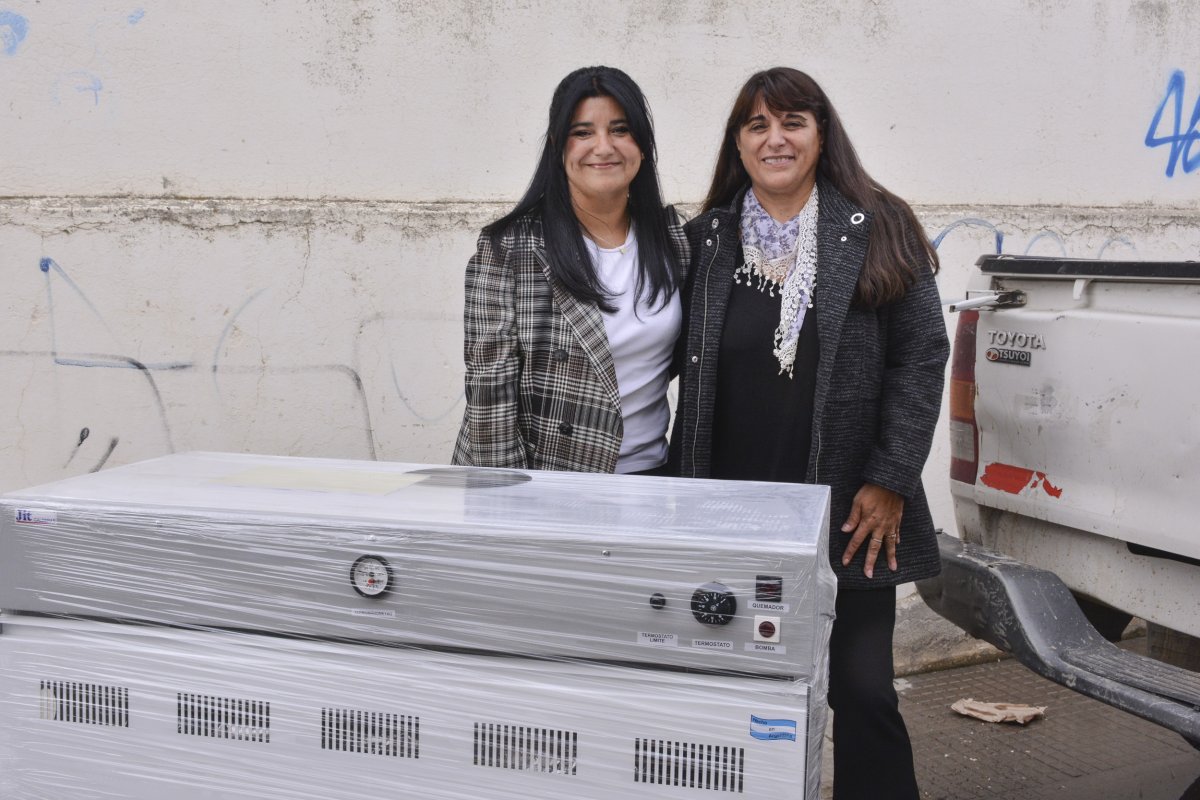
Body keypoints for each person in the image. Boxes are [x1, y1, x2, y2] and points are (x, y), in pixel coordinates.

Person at [670, 67, 949, 799]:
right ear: (738, 144)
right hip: (729, 512)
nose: (775, 138)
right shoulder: (706, 240)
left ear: (822, 134)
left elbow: (921, 360)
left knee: (862, 693)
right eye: (757, 125)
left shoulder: (878, 224)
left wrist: (890, 480)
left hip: (849, 511)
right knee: (733, 697)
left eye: (792, 120)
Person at [452, 66, 687, 474]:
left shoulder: (674, 239)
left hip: (653, 478)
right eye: (583, 132)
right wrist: (507, 509)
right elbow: (490, 395)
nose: (603, 147)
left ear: (643, 145)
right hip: (549, 484)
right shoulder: (509, 249)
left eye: (620, 130)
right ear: (558, 147)